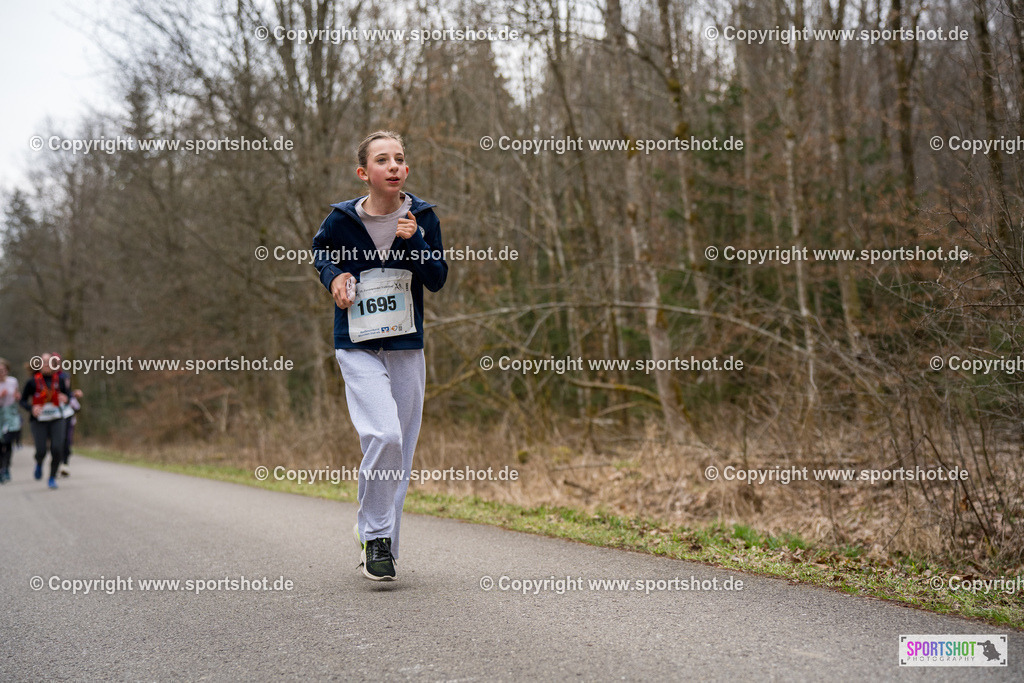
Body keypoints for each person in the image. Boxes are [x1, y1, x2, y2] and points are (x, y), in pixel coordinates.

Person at [312, 130, 448, 581]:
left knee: (401, 449)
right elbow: (321, 252)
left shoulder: (422, 215)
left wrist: (416, 242)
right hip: (357, 345)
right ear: (363, 173)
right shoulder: (341, 219)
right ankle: (374, 533)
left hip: (407, 346)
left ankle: (383, 544)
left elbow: (437, 278)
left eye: (400, 159)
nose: (393, 166)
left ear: (406, 170)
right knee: (384, 435)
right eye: (383, 160)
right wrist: (332, 277)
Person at [19, 353, 69, 489]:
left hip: (57, 418)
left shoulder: (60, 379)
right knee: (41, 450)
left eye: (49, 362)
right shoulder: (32, 381)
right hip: (39, 420)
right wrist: (31, 408)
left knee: (57, 448)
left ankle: (52, 477)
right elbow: (22, 401)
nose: (47, 364)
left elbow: (68, 395)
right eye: (44, 362)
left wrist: (66, 397)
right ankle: (39, 463)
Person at [51, 352, 83, 477]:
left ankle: (65, 463)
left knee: (66, 439)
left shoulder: (65, 375)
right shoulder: (42, 378)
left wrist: (74, 394)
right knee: (56, 441)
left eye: (57, 362)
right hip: (52, 413)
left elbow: (67, 393)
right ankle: (57, 462)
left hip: (66, 412)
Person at [0, 358, 21, 483]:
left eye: (3, 370)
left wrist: (18, 397)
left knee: (8, 442)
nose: (1, 372)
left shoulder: (13, 381)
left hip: (11, 414)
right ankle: (1, 468)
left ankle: (6, 468)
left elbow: (17, 395)